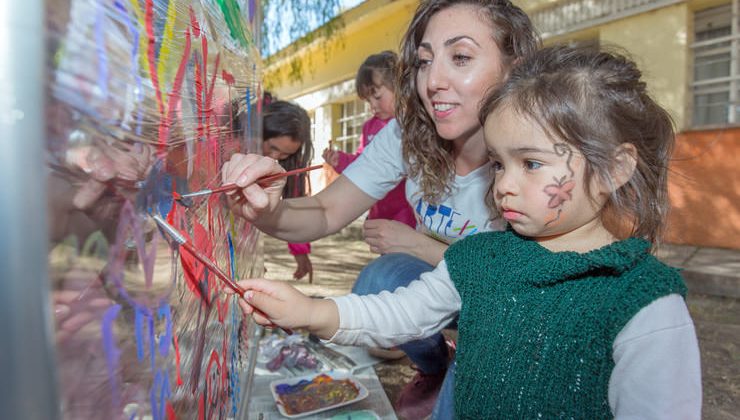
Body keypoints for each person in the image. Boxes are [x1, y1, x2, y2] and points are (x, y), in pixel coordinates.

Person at [230, 45, 703, 418]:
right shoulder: (481, 258)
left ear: (615, 168)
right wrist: (310, 311)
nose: (504, 185)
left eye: (532, 163)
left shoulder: (645, 305)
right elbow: (403, 313)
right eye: (498, 163)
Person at [221, 2, 539, 417]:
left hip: (513, 308)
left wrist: (422, 248)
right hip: (448, 286)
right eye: (424, 62)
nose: (433, 81)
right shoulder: (410, 133)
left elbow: (529, 282)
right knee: (381, 276)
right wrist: (266, 208)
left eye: (460, 57)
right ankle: (434, 366)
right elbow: (325, 210)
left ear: (515, 68)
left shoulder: (539, 152)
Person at [323, 50, 416, 230]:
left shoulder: (413, 124)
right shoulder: (369, 127)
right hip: (379, 209)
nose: (372, 105)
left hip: (408, 211)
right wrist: (340, 160)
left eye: (378, 97)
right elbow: (363, 162)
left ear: (399, 85)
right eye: (368, 100)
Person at [256, 99, 316, 282]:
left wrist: (300, 251)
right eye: (272, 148)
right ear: (260, 132)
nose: (275, 158)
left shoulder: (284, 165)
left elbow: (293, 201)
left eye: (284, 155)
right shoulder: (231, 143)